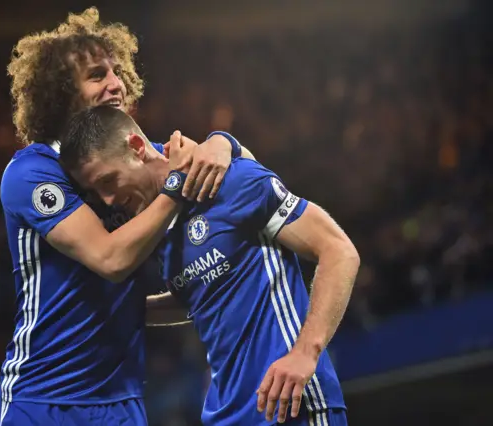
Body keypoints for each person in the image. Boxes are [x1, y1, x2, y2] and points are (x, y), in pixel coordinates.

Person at [0, 7, 257, 426]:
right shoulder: (32, 171)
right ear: (61, 91)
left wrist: (223, 145)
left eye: (117, 72)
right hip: (44, 399)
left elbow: (247, 175)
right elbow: (111, 259)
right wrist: (176, 184)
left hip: (123, 404)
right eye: (97, 74)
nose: (115, 84)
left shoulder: (136, 156)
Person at [59, 106, 360, 426]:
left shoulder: (228, 180)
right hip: (226, 413)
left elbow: (338, 251)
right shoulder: (156, 228)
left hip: (289, 403)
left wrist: (306, 352)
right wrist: (127, 309)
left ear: (136, 147)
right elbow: (201, 294)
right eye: (95, 192)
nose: (106, 200)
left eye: (108, 181)